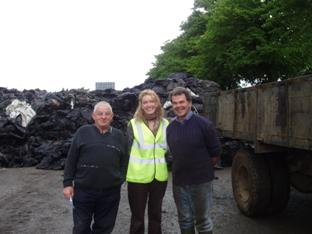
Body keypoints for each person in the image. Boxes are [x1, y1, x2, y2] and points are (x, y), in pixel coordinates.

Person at [63, 101, 128, 234]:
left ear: (112, 116)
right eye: (100, 114)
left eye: (107, 114)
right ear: (93, 116)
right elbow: (71, 159)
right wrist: (67, 183)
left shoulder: (119, 136)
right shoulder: (83, 132)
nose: (103, 117)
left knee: (104, 227)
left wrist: (120, 179)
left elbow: (124, 161)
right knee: (81, 227)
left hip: (110, 193)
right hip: (84, 191)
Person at [166, 87, 221, 234]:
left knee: (203, 221)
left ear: (189, 102)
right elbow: (172, 153)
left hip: (201, 181)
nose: (179, 106)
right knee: (184, 220)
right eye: (175, 103)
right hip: (180, 181)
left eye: (182, 102)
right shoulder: (170, 128)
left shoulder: (204, 124)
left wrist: (202, 169)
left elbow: (215, 153)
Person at [126, 89, 169, 234]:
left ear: (157, 103)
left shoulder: (165, 124)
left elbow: (169, 149)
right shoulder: (133, 124)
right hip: (138, 177)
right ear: (141, 105)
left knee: (156, 215)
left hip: (159, 177)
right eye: (145, 102)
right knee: (137, 216)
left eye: (152, 101)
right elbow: (126, 150)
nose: (149, 105)